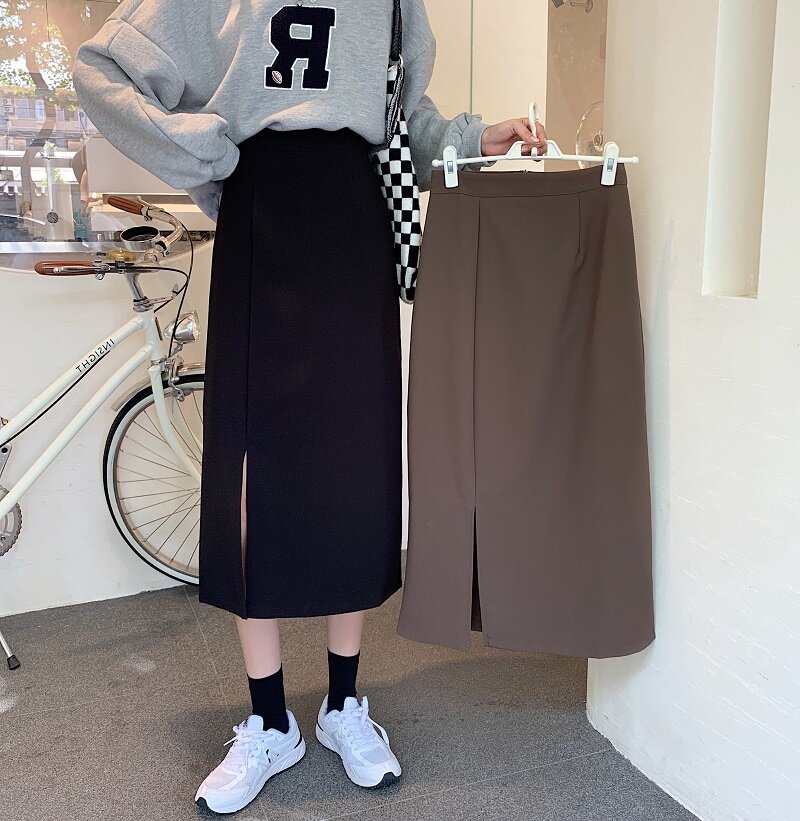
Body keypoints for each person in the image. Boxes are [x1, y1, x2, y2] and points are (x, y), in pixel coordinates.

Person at [72, 0, 546, 813]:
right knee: (248, 473)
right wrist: (208, 151)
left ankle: (343, 704)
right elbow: (102, 68)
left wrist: (472, 138)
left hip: (354, 222)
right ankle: (268, 719)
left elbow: (405, 117)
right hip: (260, 217)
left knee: (353, 467)